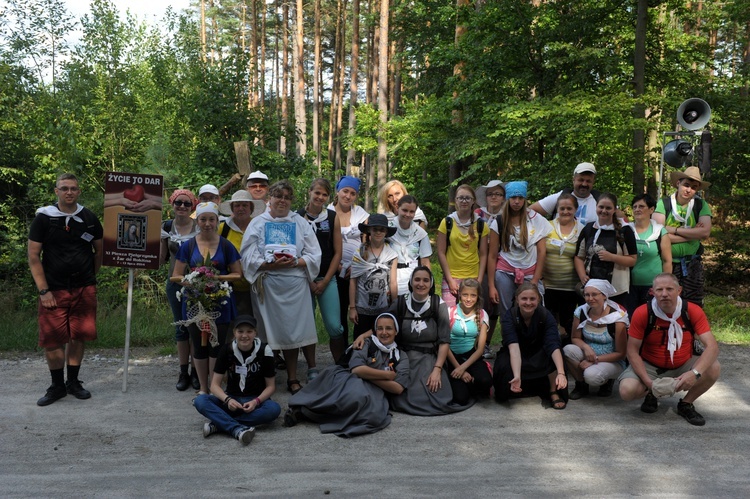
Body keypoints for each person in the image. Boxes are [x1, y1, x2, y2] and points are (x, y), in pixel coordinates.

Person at [353, 267, 471, 415]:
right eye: (417, 279)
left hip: (430, 357)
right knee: (401, 395)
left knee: (437, 395)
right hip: (405, 357)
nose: (421, 284)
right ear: (411, 282)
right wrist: (363, 336)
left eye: (425, 280)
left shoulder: (438, 305)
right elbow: (383, 322)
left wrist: (437, 369)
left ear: (431, 283)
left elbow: (444, 341)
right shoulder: (401, 302)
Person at [28, 173, 103, 406]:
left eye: (73, 188)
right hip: (53, 290)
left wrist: (90, 277)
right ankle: (57, 386)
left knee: (78, 337)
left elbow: (99, 251)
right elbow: (33, 256)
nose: (69, 192)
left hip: (83, 288)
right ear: (56, 191)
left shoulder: (89, 218)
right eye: (64, 188)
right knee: (52, 340)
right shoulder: (44, 219)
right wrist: (44, 290)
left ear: (79, 191)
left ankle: (73, 382)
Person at [241, 180, 322, 395]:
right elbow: (247, 254)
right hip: (268, 284)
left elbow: (315, 253)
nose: (283, 201)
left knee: (292, 333)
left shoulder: (300, 223)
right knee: (268, 333)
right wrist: (269, 264)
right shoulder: (258, 223)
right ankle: (267, 380)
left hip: (295, 285)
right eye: (279, 196)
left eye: (287, 197)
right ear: (270, 199)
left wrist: (295, 261)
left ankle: (293, 378)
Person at [284, 313, 409, 437]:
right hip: (350, 378)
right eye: (380, 328)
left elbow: (398, 388)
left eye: (389, 328)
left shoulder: (401, 356)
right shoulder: (365, 343)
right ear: (375, 330)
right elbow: (356, 370)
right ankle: (303, 411)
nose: (384, 332)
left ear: (396, 331)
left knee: (374, 415)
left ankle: (307, 414)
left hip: (374, 390)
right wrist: (386, 375)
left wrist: (368, 375)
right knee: (352, 394)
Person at [618, 273, 720, 426]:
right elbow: (632, 350)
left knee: (714, 368)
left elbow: (712, 347)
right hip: (650, 364)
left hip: (683, 362)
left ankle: (686, 403)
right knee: (627, 391)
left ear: (679, 290)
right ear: (652, 292)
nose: (664, 294)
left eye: (669, 289)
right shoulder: (643, 312)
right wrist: (648, 382)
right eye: (659, 290)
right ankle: (651, 393)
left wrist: (694, 373)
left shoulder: (691, 311)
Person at [173, 202, 242, 394]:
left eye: (212, 219)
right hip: (195, 301)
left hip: (220, 301)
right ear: (197, 222)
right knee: (198, 345)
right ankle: (203, 387)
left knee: (217, 345)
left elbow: (237, 274)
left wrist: (215, 278)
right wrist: (194, 281)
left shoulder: (226, 245)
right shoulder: (189, 245)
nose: (207, 223)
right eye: (203, 219)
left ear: (217, 221)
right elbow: (176, 275)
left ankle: (216, 386)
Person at [193, 315, 281, 445]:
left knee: (274, 409)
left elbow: (271, 386)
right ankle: (237, 429)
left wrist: (256, 402)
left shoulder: (264, 350)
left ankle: (219, 424)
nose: (244, 335)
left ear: (255, 333)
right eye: (240, 331)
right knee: (200, 400)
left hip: (254, 401)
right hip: (232, 399)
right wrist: (228, 400)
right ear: (234, 333)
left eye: (249, 331)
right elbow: (214, 386)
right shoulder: (227, 350)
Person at [487, 180, 552, 356]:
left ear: (525, 199)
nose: (516, 201)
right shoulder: (499, 221)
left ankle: (536, 344)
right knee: (507, 310)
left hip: (530, 271)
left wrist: (536, 281)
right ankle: (510, 344)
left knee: (536, 307)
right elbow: (492, 255)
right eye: (513, 197)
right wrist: (492, 285)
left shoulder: (536, 220)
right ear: (507, 199)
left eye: (520, 198)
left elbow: (541, 253)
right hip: (505, 270)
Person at [493, 283, 568, 409]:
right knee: (503, 364)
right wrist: (517, 375)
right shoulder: (509, 317)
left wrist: (561, 373)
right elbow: (514, 348)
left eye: (532, 299)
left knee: (556, 353)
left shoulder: (546, 315)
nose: (528, 302)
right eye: (524, 299)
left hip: (539, 352)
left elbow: (553, 344)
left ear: (538, 299)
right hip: (517, 353)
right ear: (517, 299)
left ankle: (553, 391)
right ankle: (517, 384)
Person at [298, 178, 346, 362]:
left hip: (327, 278)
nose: (320, 197)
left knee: (335, 326)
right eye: (317, 192)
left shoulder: (332, 217)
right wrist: (310, 281)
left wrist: (325, 280)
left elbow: (337, 252)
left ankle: (340, 366)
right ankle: (311, 367)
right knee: (307, 326)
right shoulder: (297, 216)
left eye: (324, 194)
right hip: (304, 279)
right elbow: (296, 251)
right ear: (310, 191)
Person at [652, 166, 712, 307]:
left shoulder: (700, 205)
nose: (688, 190)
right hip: (666, 263)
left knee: (693, 304)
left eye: (693, 187)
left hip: (692, 264)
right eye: (686, 185)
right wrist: (692, 235)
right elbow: (657, 234)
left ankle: (690, 329)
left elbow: (705, 233)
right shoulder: (664, 204)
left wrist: (672, 230)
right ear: (678, 183)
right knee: (666, 302)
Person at [160, 188, 200, 391]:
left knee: (195, 326)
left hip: (196, 284)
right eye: (178, 203)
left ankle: (196, 371)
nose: (182, 206)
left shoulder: (199, 227)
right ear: (172, 205)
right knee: (180, 327)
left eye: (186, 203)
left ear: (193, 206)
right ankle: (183, 371)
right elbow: (160, 259)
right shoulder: (166, 227)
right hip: (174, 282)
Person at [563, 279, 628, 399]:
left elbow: (621, 353)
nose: (590, 298)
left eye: (594, 294)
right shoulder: (581, 311)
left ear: (604, 295)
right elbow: (575, 338)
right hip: (590, 354)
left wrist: (595, 360)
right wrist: (586, 347)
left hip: (612, 360)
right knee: (568, 350)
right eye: (587, 295)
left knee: (591, 376)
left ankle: (607, 381)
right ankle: (581, 385)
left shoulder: (617, 317)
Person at [574, 192, 637, 306]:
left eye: (608, 208)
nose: (604, 211)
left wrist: (612, 257)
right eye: (601, 207)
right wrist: (582, 275)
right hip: (592, 289)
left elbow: (632, 260)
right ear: (596, 207)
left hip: (616, 290)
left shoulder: (624, 231)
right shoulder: (588, 229)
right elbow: (579, 256)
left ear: (614, 210)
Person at [329, 175, 369, 342]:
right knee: (339, 310)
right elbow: (326, 244)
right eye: (345, 191)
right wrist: (339, 267)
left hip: (357, 269)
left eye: (353, 193)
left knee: (360, 310)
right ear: (338, 191)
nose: (348, 196)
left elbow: (366, 243)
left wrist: (357, 266)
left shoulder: (361, 214)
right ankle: (342, 350)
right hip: (334, 269)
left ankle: (360, 346)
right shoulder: (327, 213)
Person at [436, 184, 489, 309]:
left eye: (467, 198)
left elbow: (483, 254)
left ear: (473, 201)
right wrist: (449, 279)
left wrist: (479, 280)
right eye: (460, 198)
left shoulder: (481, 225)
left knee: (472, 316)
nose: (464, 201)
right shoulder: (447, 222)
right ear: (455, 200)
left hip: (473, 276)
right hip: (452, 276)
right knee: (449, 316)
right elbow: (441, 252)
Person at [543, 194, 585, 344]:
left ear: (575, 209)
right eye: (562, 208)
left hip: (570, 287)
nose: (565, 211)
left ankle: (566, 356)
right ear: (557, 209)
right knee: (548, 323)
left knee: (568, 323)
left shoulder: (582, 230)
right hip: (548, 285)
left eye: (569, 208)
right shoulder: (546, 226)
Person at [349, 214, 398, 340]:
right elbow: (353, 281)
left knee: (381, 339)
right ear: (369, 230)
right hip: (362, 308)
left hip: (382, 308)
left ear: (386, 232)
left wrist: (394, 306)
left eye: (382, 229)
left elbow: (392, 282)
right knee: (361, 339)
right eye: (375, 229)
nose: (378, 232)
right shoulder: (359, 253)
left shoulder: (391, 254)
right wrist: (353, 308)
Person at [218, 191, 266, 316]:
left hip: (257, 285)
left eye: (245, 205)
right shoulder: (223, 229)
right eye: (237, 205)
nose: (241, 209)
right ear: (232, 208)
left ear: (251, 208)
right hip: (230, 286)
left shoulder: (260, 226)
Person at [446, 279, 493, 405]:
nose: (468, 299)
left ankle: (472, 381)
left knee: (486, 381)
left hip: (471, 357)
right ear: (459, 294)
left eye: (473, 295)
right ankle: (465, 383)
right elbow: (444, 344)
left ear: (478, 297)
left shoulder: (483, 315)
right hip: (452, 358)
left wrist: (463, 368)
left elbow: (480, 349)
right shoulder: (450, 312)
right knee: (461, 399)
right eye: (465, 295)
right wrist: (459, 370)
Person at [627, 194, 672, 316]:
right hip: (629, 286)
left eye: (641, 206)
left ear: (651, 209)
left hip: (653, 287)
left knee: (651, 320)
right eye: (635, 206)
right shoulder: (626, 231)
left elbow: (667, 261)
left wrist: (665, 285)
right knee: (631, 319)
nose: (637, 209)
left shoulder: (660, 232)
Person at [475, 180, 505, 357]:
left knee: (496, 305)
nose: (494, 197)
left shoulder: (507, 215)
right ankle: (477, 341)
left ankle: (487, 341)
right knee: (482, 302)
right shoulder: (477, 214)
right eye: (491, 194)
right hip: (479, 264)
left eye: (498, 194)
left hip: (501, 262)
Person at [529, 162, 600, 225]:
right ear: (573, 180)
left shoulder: (599, 202)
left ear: (593, 182)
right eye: (581, 180)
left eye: (588, 181)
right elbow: (529, 211)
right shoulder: (560, 197)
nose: (584, 184)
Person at [388, 195, 432, 296]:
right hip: (390, 277)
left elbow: (425, 262)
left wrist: (427, 286)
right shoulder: (387, 230)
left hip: (413, 280)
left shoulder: (420, 234)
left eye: (411, 211)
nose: (408, 214)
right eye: (404, 210)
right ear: (397, 208)